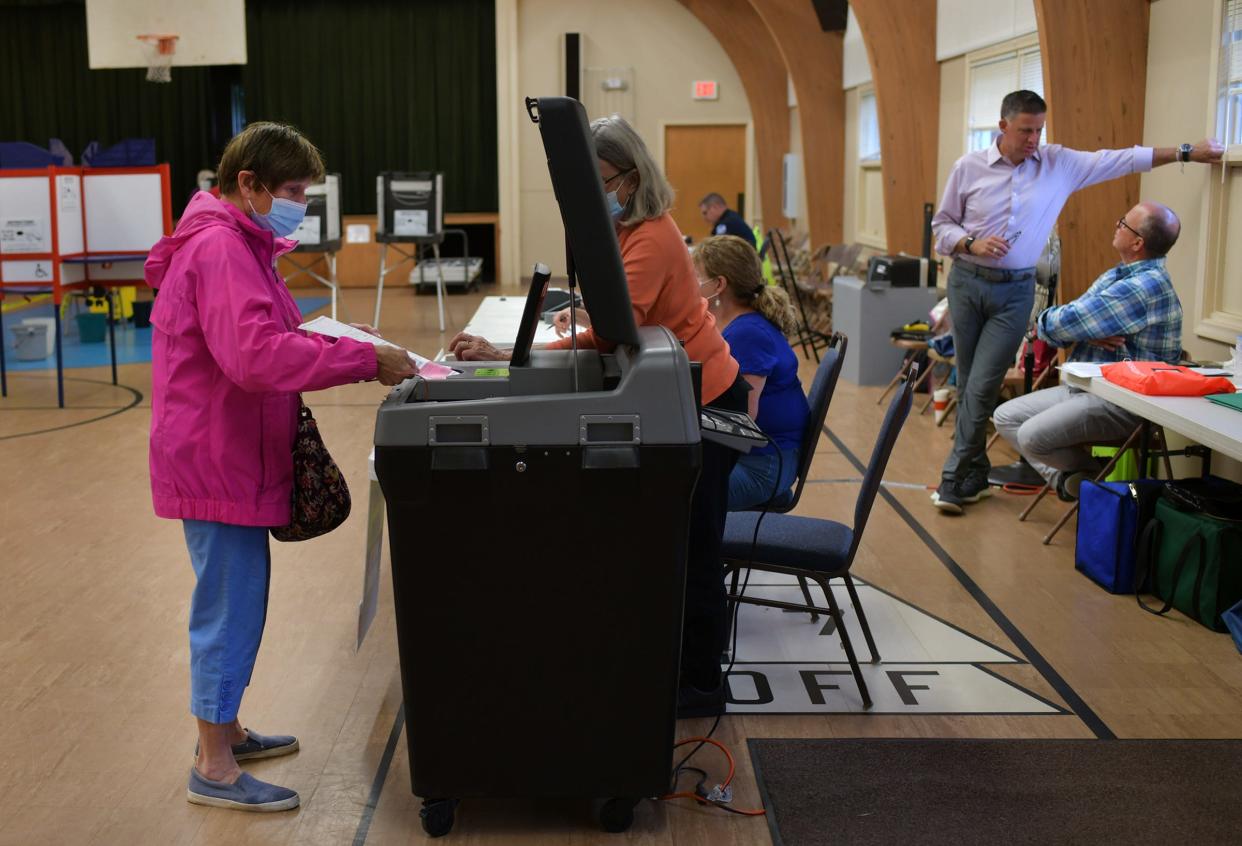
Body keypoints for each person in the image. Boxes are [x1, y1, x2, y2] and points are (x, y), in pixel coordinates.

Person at [145, 122, 417, 812]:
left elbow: (268, 334)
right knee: (228, 607)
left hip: (225, 448)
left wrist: (335, 338)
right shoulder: (221, 249)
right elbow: (255, 358)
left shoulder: (240, 243)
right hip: (216, 455)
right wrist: (362, 359)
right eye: (293, 190)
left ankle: (226, 730)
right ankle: (213, 766)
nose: (300, 202)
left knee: (240, 598)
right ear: (249, 183)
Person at [449, 115, 745, 718]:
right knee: (678, 542)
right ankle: (672, 661)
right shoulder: (635, 230)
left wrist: (513, 354)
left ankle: (703, 683)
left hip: (704, 396)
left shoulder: (653, 236)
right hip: (676, 392)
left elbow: (614, 331)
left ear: (630, 179)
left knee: (695, 545)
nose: (594, 194)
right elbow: (617, 308)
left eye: (600, 181)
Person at [930, 88, 1221, 515]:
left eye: (1039, 130)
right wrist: (970, 241)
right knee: (969, 377)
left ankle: (954, 478)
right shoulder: (968, 167)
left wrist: (1183, 153)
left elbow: (1120, 158)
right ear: (1003, 126)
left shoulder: (1058, 164)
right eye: (1026, 130)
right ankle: (974, 472)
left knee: (982, 383)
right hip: (967, 282)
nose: (1034, 139)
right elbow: (941, 228)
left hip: (1015, 293)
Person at [993, 202, 1183, 500]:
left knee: (1032, 436)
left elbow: (1060, 323)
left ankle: (1097, 484)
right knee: (1005, 417)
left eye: (1124, 223)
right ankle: (1081, 480)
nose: (1116, 225)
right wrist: (1082, 330)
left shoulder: (1142, 286)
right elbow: (1066, 322)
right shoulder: (1119, 274)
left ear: (1137, 243)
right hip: (1088, 387)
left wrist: (1074, 329)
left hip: (1123, 402)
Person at [694, 235, 808, 510]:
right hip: (761, 458)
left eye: (694, 277)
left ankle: (700, 554)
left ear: (719, 285)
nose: (689, 285)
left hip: (763, 467)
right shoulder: (740, 325)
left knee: (670, 495)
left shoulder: (747, 334)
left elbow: (743, 419)